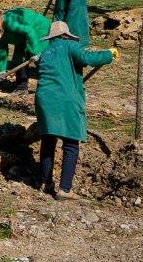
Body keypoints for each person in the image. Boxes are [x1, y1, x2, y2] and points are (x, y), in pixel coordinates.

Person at [34, 20, 116, 200]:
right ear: (66, 35)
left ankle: (45, 182)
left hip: (44, 99)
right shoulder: (71, 46)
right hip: (65, 99)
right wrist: (109, 54)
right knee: (71, 143)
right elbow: (88, 59)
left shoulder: (45, 52)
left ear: (52, 37)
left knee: (48, 141)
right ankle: (64, 189)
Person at [0, 7, 51, 90]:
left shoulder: (9, 22)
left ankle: (51, 84)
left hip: (38, 29)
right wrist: (1, 71)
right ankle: (21, 88)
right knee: (18, 60)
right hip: (21, 38)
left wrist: (35, 52)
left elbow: (29, 31)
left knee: (42, 61)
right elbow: (2, 50)